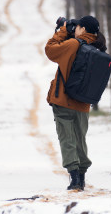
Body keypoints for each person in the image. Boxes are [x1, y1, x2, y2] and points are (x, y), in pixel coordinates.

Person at [45, 15, 107, 191]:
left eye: (78, 27)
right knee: (80, 139)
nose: (75, 29)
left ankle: (74, 179)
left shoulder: (73, 45)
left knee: (67, 139)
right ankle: (82, 176)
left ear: (84, 29)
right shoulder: (98, 47)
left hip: (64, 100)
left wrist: (63, 30)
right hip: (83, 102)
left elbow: (50, 50)